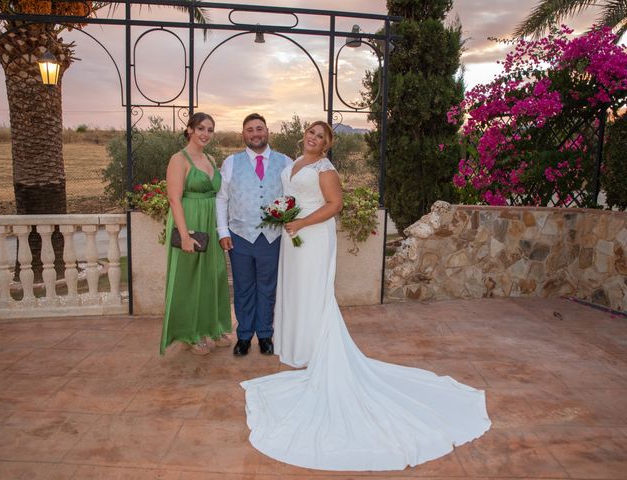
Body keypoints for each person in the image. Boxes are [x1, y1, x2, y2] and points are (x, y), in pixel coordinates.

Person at [241, 121, 491, 471]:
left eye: (320, 137)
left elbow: (335, 205)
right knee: (295, 291)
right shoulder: (295, 161)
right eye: (311, 133)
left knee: (314, 292)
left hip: (312, 236)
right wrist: (287, 217)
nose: (313, 138)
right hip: (293, 235)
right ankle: (297, 347)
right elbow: (291, 196)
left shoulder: (324, 169)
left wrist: (301, 223)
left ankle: (315, 348)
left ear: (326, 145)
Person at [216, 113, 293, 356]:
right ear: (243, 135)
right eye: (250, 130)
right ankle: (244, 336)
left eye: (259, 128)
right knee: (243, 286)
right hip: (239, 235)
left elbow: (292, 197)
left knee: (268, 287)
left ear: (267, 131)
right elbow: (222, 199)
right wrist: (222, 231)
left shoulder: (285, 162)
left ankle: (265, 334)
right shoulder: (230, 163)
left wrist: (284, 215)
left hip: (272, 236)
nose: (255, 133)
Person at [160, 112, 232, 355]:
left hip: (210, 221)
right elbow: (174, 198)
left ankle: (212, 327)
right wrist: (185, 235)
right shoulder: (178, 159)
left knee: (213, 275)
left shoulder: (210, 158)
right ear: (189, 129)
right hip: (189, 221)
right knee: (189, 279)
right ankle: (189, 333)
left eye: (210, 129)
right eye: (201, 128)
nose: (205, 134)